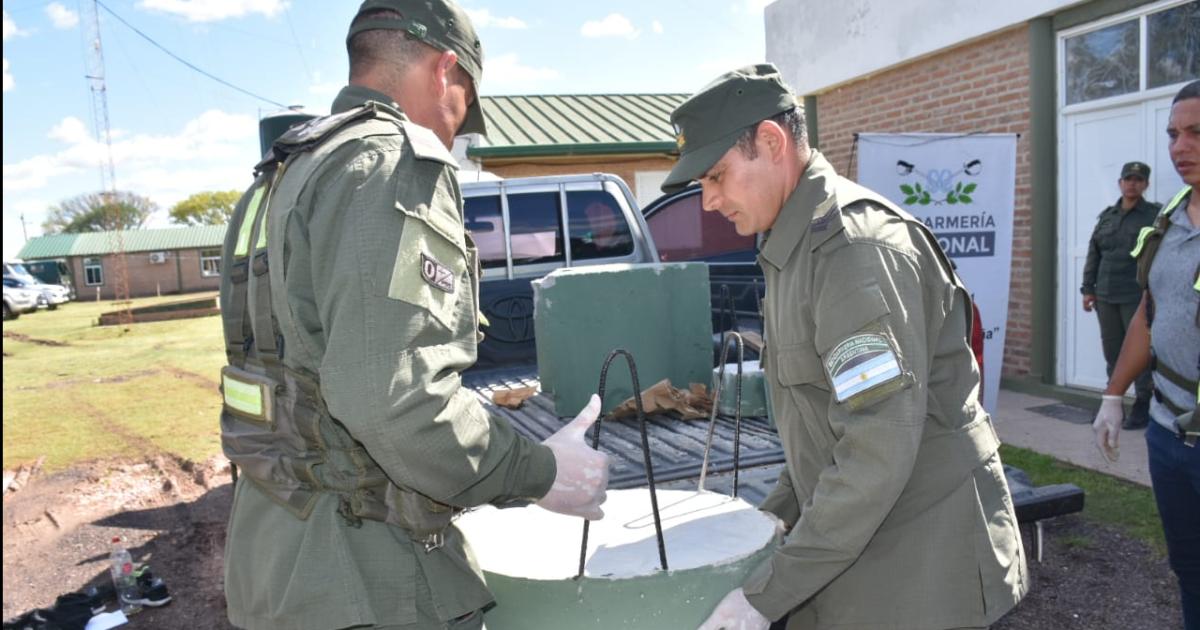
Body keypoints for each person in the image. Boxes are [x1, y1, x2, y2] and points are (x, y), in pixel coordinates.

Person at [216, 2, 609, 628]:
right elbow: (396, 402)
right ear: (445, 69)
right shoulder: (387, 164)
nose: (455, 131)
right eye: (462, 105)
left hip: (274, 557)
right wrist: (542, 472)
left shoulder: (283, 173)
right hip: (362, 573)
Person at [664, 64, 1027, 630]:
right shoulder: (793, 245)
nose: (708, 200)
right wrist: (769, 521)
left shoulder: (852, 251)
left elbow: (876, 448)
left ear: (770, 142)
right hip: (863, 540)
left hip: (921, 564)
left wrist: (766, 595)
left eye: (716, 176)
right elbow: (819, 427)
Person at [1092, 79, 1200, 630]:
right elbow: (1148, 313)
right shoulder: (1171, 220)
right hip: (1168, 429)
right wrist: (1114, 394)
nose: (1180, 146)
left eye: (1196, 132)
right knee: (1187, 566)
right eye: (1173, 134)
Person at [1081, 160, 1160, 429]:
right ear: (1120, 183)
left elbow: (1160, 254)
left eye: (1138, 180)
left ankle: (1143, 404)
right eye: (1128, 179)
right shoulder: (1108, 216)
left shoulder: (1154, 216)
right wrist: (1088, 289)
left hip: (1135, 296)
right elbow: (1095, 253)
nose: (1132, 184)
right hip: (1105, 295)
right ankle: (1111, 402)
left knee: (1138, 354)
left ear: (1146, 185)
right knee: (1113, 353)